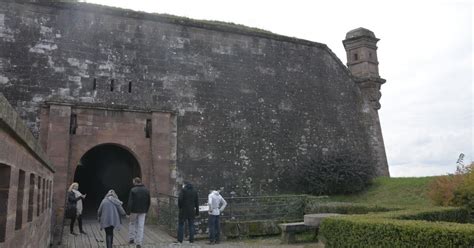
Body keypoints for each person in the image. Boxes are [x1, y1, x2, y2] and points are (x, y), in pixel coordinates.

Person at [127, 177, 150, 248]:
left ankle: (131, 238)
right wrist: (146, 210)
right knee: (141, 226)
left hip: (134, 211)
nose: (133, 183)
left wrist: (128, 212)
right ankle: (139, 242)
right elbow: (148, 201)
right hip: (143, 211)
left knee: (132, 224)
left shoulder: (133, 190)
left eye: (133, 181)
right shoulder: (146, 190)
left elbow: (130, 202)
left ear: (135, 182)